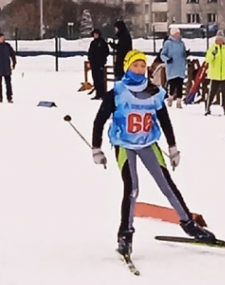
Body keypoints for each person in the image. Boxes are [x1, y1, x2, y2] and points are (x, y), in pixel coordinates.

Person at [91, 49, 215, 257]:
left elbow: (164, 120)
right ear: (127, 67)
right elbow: (100, 119)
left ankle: (188, 224)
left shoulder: (154, 92)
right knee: (132, 188)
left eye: (142, 65)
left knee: (166, 185)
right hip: (124, 144)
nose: (139, 69)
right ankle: (125, 234)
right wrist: (97, 147)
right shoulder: (118, 92)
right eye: (135, 65)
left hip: (148, 143)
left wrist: (172, 146)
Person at [204, 31, 225, 115]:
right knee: (212, 92)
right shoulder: (212, 48)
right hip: (215, 75)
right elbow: (208, 60)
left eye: (221, 40)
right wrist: (213, 54)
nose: (219, 41)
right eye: (218, 39)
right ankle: (207, 107)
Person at [160, 26, 188, 108]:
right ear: (173, 34)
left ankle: (179, 102)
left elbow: (183, 53)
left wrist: (186, 54)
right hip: (172, 67)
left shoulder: (181, 43)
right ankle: (170, 98)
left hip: (180, 66)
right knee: (172, 84)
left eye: (179, 33)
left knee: (180, 84)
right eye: (176, 33)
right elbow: (162, 54)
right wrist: (167, 59)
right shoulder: (168, 43)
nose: (178, 35)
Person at [87, 28, 110, 100]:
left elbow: (106, 52)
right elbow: (90, 52)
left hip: (100, 64)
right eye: (94, 34)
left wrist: (102, 58)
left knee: (101, 79)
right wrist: (90, 59)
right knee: (95, 79)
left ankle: (102, 94)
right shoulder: (93, 43)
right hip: (94, 64)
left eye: (96, 34)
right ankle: (98, 94)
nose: (95, 35)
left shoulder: (102, 42)